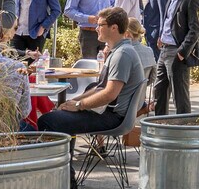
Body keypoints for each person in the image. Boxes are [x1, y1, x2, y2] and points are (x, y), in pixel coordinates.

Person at [35, 7, 146, 136]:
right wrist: (74, 101)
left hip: (113, 117)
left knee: (47, 120)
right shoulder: (119, 51)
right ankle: (65, 153)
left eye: (100, 25)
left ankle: (61, 156)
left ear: (114, 28)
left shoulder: (123, 54)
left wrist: (78, 105)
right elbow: (100, 88)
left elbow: (110, 94)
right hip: (107, 113)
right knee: (58, 114)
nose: (96, 28)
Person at [145, 0, 199, 117]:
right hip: (164, 50)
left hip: (177, 51)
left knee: (180, 96)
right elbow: (168, 19)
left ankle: (184, 130)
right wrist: (161, 36)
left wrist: (182, 52)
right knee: (159, 92)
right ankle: (161, 127)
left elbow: (195, 29)